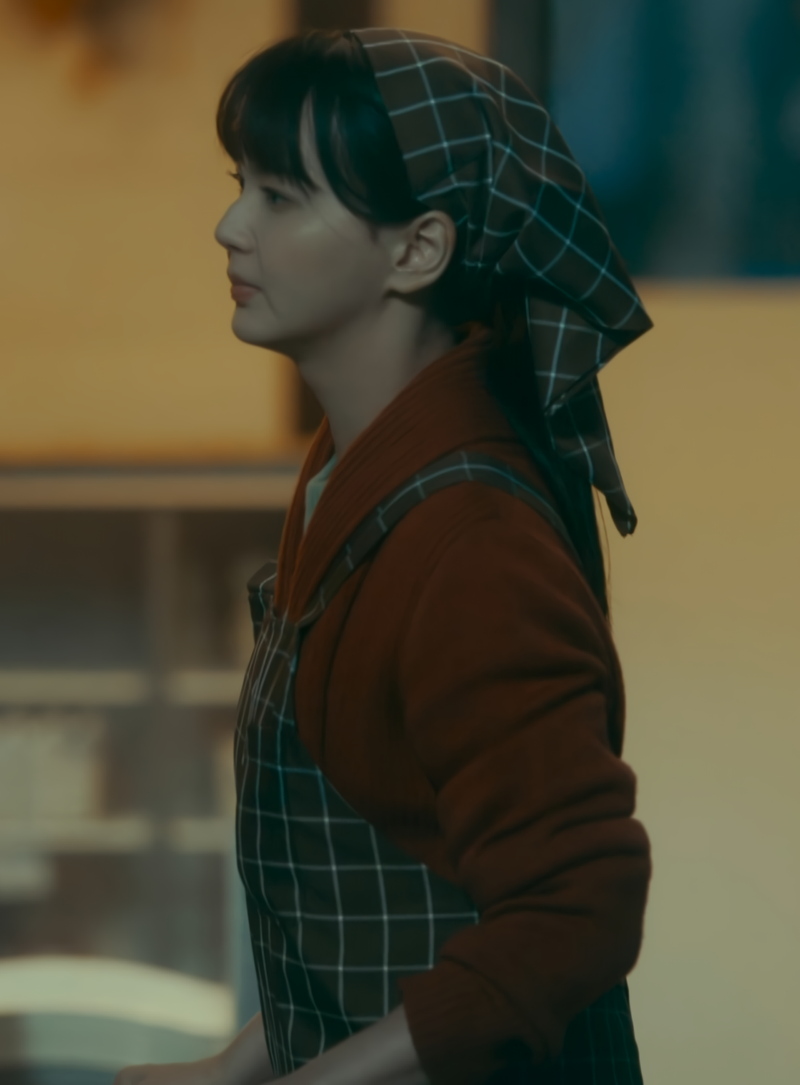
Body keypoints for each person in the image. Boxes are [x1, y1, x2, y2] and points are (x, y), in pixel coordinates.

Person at [115, 25, 653, 1085]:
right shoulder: (349, 474)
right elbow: (399, 891)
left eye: (281, 197)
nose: (229, 227)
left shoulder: (468, 541)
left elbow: (574, 913)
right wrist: (242, 1062)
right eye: (240, 186)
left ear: (418, 250)